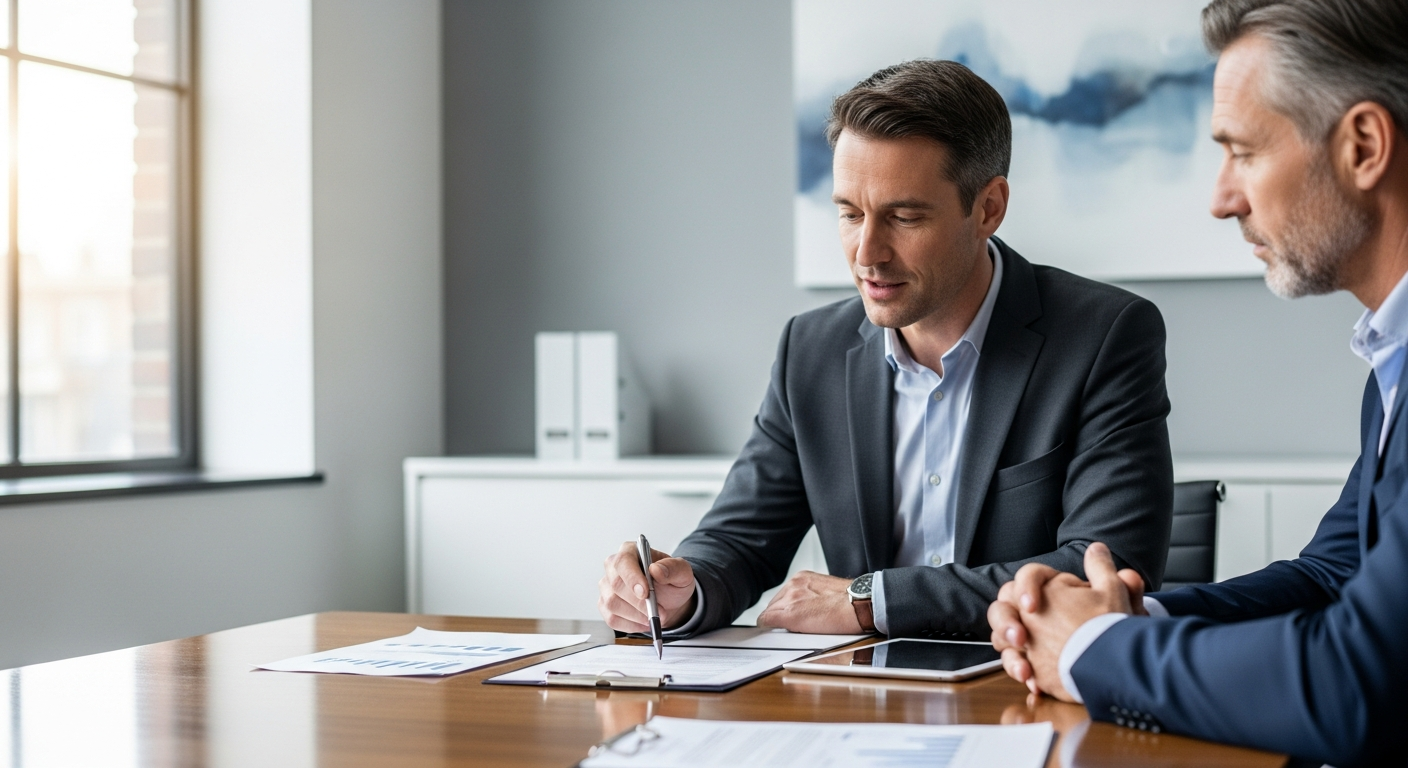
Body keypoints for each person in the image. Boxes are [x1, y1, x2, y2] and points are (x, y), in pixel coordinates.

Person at [598, 59, 1174, 641]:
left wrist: (871, 599)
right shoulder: (811, 349)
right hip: (862, 701)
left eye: (903, 216)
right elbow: (741, 539)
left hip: (1024, 688)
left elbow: (1107, 572)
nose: (867, 252)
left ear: (988, 208)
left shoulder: (1105, 335)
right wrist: (682, 588)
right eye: (849, 214)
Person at [988, 1, 1408, 765]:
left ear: (1364, 146)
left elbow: (1357, 682)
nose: (1221, 199)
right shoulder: (1393, 359)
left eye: (1242, 153)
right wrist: (1132, 613)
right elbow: (1330, 575)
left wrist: (1091, 647)